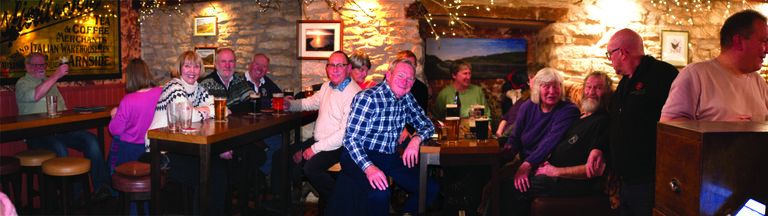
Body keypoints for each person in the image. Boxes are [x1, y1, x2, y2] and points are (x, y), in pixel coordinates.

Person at [328, 57, 438, 216]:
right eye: (400, 76)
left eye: (409, 79)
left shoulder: (406, 98)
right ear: (388, 75)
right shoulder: (368, 98)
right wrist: (369, 168)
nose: (405, 82)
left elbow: (427, 124)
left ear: (413, 82)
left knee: (430, 187)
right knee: (381, 194)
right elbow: (351, 140)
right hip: (359, 155)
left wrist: (416, 140)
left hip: (390, 157)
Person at [497, 71, 612, 215]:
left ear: (608, 93)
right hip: (552, 174)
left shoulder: (602, 122)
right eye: (588, 87)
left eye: (598, 88)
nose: (591, 92)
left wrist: (555, 171)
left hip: (568, 183)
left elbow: (595, 170)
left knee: (507, 189)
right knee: (502, 182)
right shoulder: (581, 118)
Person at [15, 52, 111, 200]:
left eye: (43, 64)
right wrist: (56, 76)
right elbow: (35, 95)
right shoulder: (22, 83)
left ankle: (102, 186)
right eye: (36, 65)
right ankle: (75, 194)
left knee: (90, 138)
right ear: (27, 67)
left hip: (58, 129)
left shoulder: (50, 83)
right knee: (59, 146)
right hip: (35, 133)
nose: (41, 68)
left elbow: (62, 108)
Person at [606, 28, 679, 216]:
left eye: (610, 54)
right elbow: (615, 123)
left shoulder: (663, 74)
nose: (609, 59)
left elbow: (680, 121)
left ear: (622, 52)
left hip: (649, 180)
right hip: (625, 180)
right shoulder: (624, 82)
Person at [148, 50, 228, 215]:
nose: (192, 70)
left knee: (220, 173)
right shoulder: (174, 86)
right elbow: (187, 116)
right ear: (180, 68)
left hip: (186, 146)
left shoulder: (198, 88)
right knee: (204, 178)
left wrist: (202, 110)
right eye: (188, 66)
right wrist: (206, 110)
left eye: (197, 66)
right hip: (162, 149)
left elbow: (225, 110)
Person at [282, 50, 362, 204]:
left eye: (340, 65)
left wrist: (313, 149)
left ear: (348, 69)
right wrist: (290, 104)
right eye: (332, 65)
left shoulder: (354, 94)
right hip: (321, 141)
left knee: (310, 169)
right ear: (327, 69)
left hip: (341, 146)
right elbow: (310, 102)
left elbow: (343, 135)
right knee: (284, 155)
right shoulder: (327, 86)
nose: (335, 69)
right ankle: (285, 204)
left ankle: (341, 203)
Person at [661, 10, 768, 122]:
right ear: (739, 42)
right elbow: (670, 124)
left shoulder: (759, 82)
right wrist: (720, 128)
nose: (767, 49)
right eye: (764, 41)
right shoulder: (696, 75)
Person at [500, 67, 580, 198]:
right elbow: (515, 136)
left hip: (542, 167)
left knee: (501, 189)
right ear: (537, 88)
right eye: (546, 87)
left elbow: (549, 142)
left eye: (556, 86)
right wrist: (510, 148)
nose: (552, 92)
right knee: (483, 170)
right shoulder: (528, 106)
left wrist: (527, 165)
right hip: (524, 161)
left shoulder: (568, 110)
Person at [108, 58, 162, 172]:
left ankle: (112, 184)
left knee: (115, 149)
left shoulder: (128, 100)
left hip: (131, 152)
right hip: (155, 149)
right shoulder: (161, 92)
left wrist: (114, 115)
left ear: (130, 77)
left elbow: (115, 130)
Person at [245, 53, 285, 176]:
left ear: (266, 70)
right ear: (250, 65)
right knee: (245, 150)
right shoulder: (240, 81)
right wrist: (268, 102)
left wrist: (287, 99)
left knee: (282, 145)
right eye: (257, 64)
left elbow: (279, 95)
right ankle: (245, 174)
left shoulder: (266, 82)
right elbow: (248, 102)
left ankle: (257, 173)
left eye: (264, 66)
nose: (260, 68)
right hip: (244, 128)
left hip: (263, 128)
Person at [200, 48, 255, 113]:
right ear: (216, 64)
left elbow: (253, 101)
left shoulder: (238, 78)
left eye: (231, 61)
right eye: (223, 61)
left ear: (235, 63)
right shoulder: (206, 84)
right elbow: (213, 111)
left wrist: (230, 110)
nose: (227, 65)